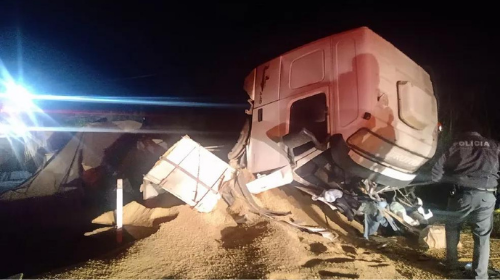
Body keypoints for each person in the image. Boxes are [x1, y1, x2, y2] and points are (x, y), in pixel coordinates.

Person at [429, 120, 498, 279]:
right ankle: (480, 275)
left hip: (461, 195)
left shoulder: (454, 144)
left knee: (452, 228)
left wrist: (443, 179)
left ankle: (452, 268)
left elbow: (435, 173)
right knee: (482, 236)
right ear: (480, 133)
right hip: (487, 196)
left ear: (462, 131)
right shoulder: (495, 145)